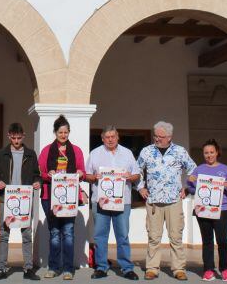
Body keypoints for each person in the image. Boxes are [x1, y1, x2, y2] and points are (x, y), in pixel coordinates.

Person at [137, 122, 196, 281]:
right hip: (154, 201)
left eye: (160, 136)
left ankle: (179, 269)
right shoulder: (146, 151)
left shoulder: (180, 151)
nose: (157, 139)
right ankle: (152, 268)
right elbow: (137, 170)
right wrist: (141, 188)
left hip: (174, 201)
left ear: (169, 137)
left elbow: (193, 170)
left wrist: (187, 188)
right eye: (155, 135)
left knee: (176, 237)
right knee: (154, 237)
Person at [85, 126, 140, 280]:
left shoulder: (127, 153)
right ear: (102, 139)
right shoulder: (95, 153)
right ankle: (101, 267)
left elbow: (137, 174)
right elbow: (87, 175)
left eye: (113, 136)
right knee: (100, 236)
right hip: (100, 201)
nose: (110, 139)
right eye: (107, 137)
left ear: (118, 137)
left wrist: (130, 176)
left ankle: (127, 268)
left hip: (123, 201)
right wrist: (94, 177)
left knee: (122, 235)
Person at [0, 123, 41, 281]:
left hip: (25, 199)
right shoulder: (1, 154)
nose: (16, 141)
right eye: (13, 138)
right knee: (4, 234)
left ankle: (28, 269)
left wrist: (37, 182)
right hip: (6, 199)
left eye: (19, 138)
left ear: (23, 136)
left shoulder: (31, 154)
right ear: (9, 136)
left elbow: (37, 174)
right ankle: (2, 268)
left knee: (26, 234)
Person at [38, 115, 86, 280]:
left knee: (68, 232)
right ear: (55, 133)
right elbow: (40, 173)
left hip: (70, 197)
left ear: (69, 132)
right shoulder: (46, 150)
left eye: (66, 132)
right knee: (54, 232)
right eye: (60, 132)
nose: (63, 135)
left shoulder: (76, 150)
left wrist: (80, 173)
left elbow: (82, 171)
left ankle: (68, 269)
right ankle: (53, 267)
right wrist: (48, 174)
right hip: (49, 196)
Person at [186, 140, 227, 282]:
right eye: (206, 153)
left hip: (222, 210)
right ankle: (208, 269)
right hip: (203, 210)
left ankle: (225, 269)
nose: (209, 155)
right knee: (207, 241)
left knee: (222, 241)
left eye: (211, 152)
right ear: (203, 154)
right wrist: (190, 181)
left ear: (217, 152)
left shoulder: (225, 169)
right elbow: (191, 190)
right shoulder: (199, 169)